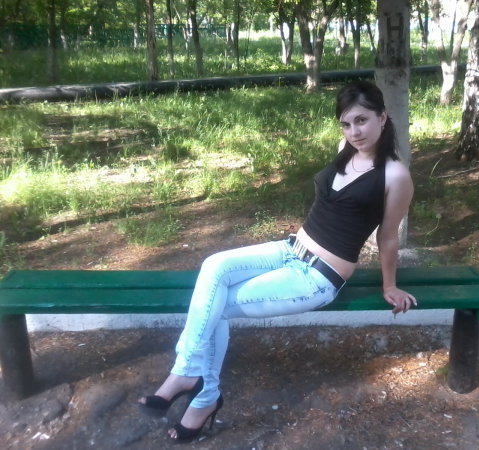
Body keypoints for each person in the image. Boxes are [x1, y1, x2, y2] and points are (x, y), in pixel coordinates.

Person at [137, 80, 416, 442]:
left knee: (215, 308)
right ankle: (190, 376)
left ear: (383, 117)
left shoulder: (395, 175)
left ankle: (198, 393)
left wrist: (390, 285)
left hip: (316, 278)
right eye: (346, 124)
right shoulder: (345, 151)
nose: (354, 132)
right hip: (288, 250)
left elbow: (388, 236)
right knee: (213, 266)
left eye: (361, 121)